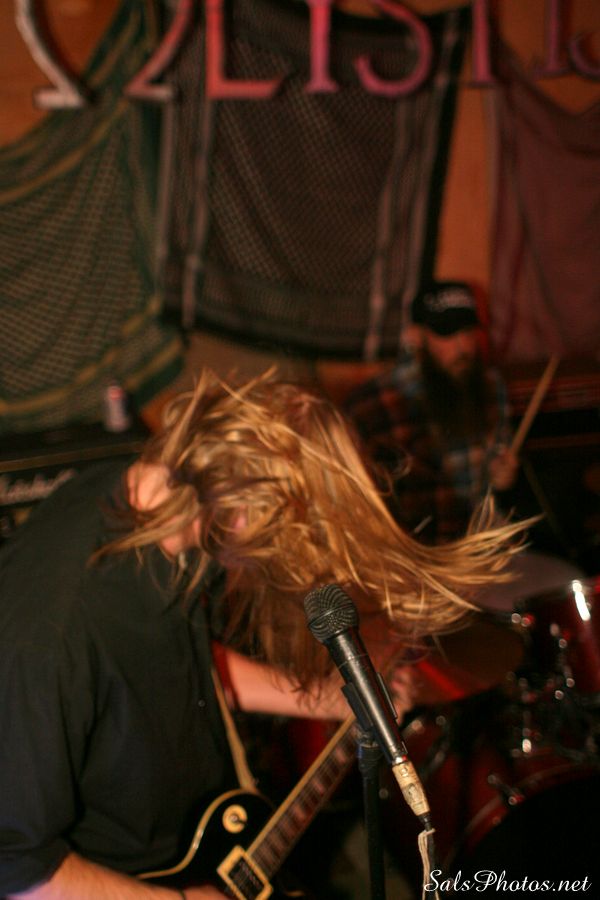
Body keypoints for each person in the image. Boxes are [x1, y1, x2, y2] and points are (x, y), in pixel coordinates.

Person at [0, 368, 525, 899]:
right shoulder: (51, 635)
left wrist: (326, 698)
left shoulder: (164, 514)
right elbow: (16, 866)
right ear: (246, 513)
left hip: (193, 846)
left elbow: (160, 663)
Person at [345, 282, 519, 544]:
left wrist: (505, 480)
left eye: (468, 332)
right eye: (447, 334)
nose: (463, 347)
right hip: (412, 554)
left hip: (481, 544)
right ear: (415, 337)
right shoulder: (371, 405)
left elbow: (497, 484)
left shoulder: (491, 386)